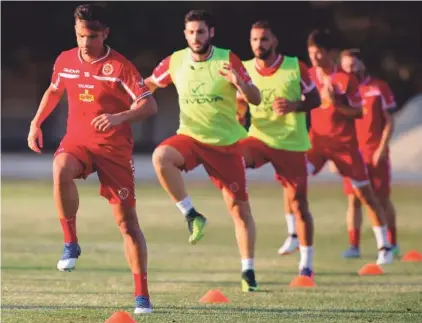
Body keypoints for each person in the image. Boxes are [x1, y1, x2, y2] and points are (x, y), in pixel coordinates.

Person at [27, 4, 157, 314]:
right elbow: (54, 90)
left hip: (114, 151)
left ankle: (142, 295)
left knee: (127, 225)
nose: (86, 43)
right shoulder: (66, 60)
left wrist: (118, 117)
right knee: (59, 169)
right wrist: (36, 123)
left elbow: (149, 106)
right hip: (78, 142)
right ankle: (71, 241)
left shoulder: (121, 66)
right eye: (81, 35)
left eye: (93, 36)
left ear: (105, 34)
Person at [145, 10, 261, 291]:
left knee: (239, 211)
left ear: (211, 33)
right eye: (191, 32)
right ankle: (191, 214)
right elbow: (148, 84)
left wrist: (240, 82)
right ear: (185, 35)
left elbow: (255, 98)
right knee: (161, 157)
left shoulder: (227, 58)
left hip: (225, 145)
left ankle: (248, 272)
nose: (196, 37)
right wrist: (126, 101)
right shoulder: (175, 61)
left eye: (201, 32)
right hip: (191, 139)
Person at [279, 29, 393, 265]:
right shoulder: (307, 75)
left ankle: (385, 247)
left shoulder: (346, 79)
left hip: (345, 146)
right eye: (311, 53)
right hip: (317, 144)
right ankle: (292, 233)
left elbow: (359, 112)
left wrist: (336, 104)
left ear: (329, 53)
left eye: (318, 52)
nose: (314, 57)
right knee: (291, 178)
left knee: (366, 195)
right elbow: (303, 102)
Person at [237, 21, 321, 277]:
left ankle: (306, 263)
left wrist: (294, 106)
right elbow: (240, 103)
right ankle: (237, 210)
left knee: (299, 203)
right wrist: (238, 117)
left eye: (264, 39)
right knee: (232, 156)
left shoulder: (296, 66)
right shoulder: (245, 69)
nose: (258, 44)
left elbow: (316, 99)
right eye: (254, 40)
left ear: (274, 41)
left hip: (291, 144)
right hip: (259, 139)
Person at [339, 49, 399, 258]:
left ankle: (392, 243)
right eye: (346, 66)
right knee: (353, 200)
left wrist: (382, 147)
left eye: (354, 65)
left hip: (374, 150)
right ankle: (354, 246)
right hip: (351, 152)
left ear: (362, 65)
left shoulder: (378, 88)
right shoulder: (342, 92)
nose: (350, 69)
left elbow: (389, 120)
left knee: (382, 198)